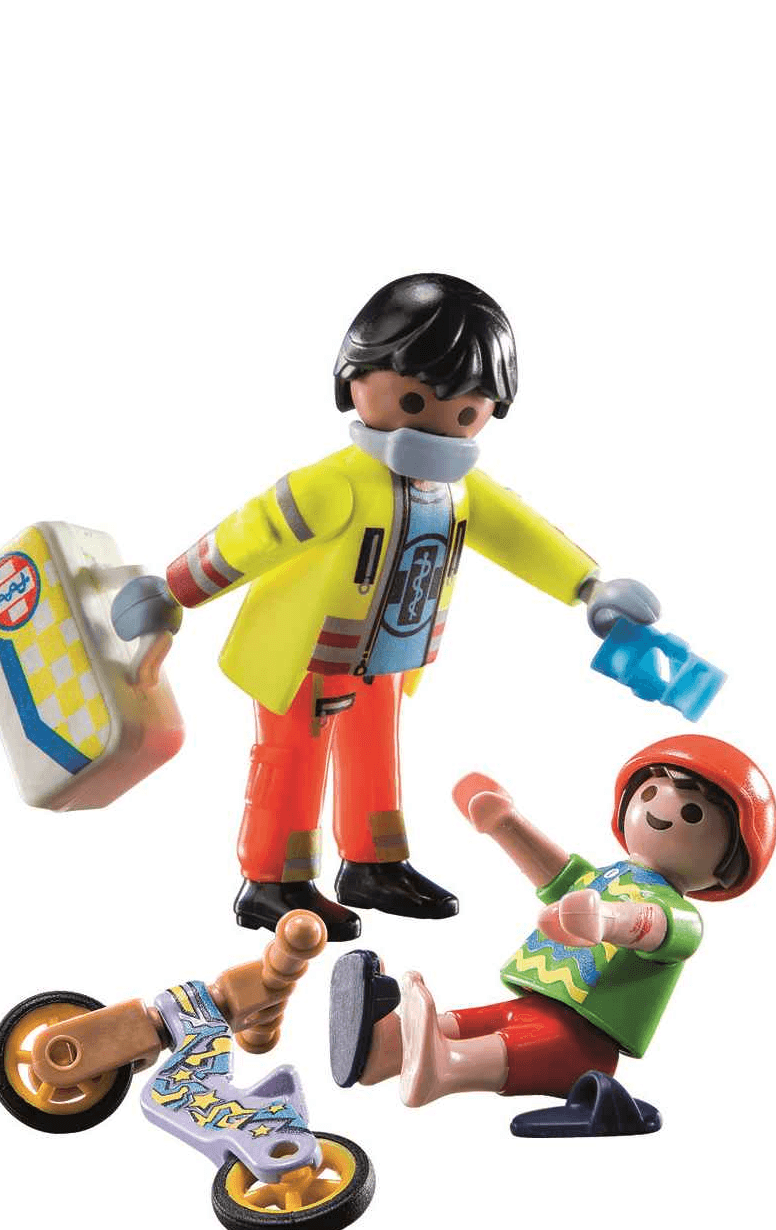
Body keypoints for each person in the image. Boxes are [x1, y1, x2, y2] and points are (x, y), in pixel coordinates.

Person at [113, 274, 662, 938]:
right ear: (354, 381)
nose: (440, 421)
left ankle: (373, 864)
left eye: (467, 408)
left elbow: (524, 536)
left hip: (385, 657)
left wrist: (588, 586)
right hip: (303, 659)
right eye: (414, 398)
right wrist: (175, 589)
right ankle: (272, 879)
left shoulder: (461, 489)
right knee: (293, 763)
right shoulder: (334, 485)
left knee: (376, 758)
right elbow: (252, 535)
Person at [328, 735, 776, 1103]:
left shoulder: (683, 917)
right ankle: (391, 1047)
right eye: (649, 793)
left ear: (728, 864)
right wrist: (504, 823)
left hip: (584, 1046)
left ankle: (448, 1067)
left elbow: (649, 924)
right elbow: (557, 874)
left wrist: (607, 919)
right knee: (489, 1018)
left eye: (692, 813)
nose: (661, 811)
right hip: (540, 1006)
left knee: (527, 1037)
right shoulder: (606, 877)